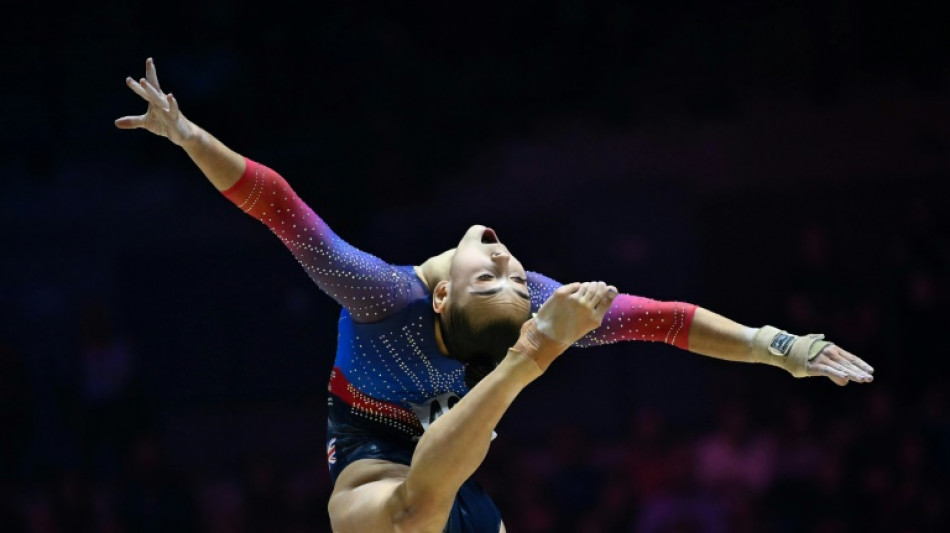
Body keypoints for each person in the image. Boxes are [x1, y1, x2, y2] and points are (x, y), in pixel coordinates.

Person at [115, 58, 875, 533]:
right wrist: (777, 344)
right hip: (376, 455)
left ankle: (518, 374)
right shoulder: (449, 300)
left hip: (445, 450)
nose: (510, 263)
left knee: (412, 510)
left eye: (500, 274)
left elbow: (275, 205)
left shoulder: (397, 295)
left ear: (445, 299)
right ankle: (521, 372)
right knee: (394, 518)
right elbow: (671, 323)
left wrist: (781, 348)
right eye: (508, 275)